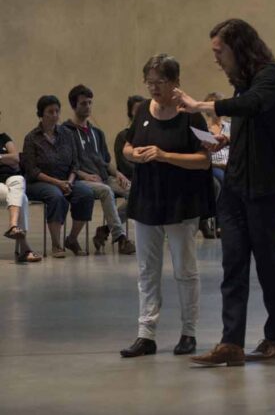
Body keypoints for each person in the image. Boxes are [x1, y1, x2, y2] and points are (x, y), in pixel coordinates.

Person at [175, 18, 275, 367]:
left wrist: (203, 106)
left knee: (268, 263)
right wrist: (227, 139)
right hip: (237, 186)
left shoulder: (271, 78)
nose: (216, 59)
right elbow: (251, 121)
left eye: (219, 51)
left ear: (238, 48)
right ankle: (231, 343)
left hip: (265, 188)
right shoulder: (244, 86)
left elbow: (255, 105)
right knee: (233, 264)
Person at [120, 55, 214, 359]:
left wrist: (164, 155)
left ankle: (189, 332)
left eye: (159, 81)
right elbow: (127, 146)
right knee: (147, 270)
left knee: (185, 270)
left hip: (181, 202)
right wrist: (135, 155)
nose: (153, 87)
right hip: (147, 199)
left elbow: (204, 160)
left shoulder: (191, 117)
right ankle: (146, 334)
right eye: (149, 81)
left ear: (175, 82)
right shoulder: (142, 112)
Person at [63, 84, 135, 255]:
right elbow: (68, 164)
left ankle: (105, 230)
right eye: (83, 103)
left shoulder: (97, 132)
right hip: (82, 180)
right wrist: (85, 175)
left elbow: (105, 161)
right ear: (74, 106)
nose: (87, 107)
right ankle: (120, 238)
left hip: (103, 176)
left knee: (137, 192)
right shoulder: (66, 132)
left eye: (89, 103)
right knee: (105, 191)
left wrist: (118, 174)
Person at [22, 95, 95, 258]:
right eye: (50, 112)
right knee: (56, 197)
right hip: (40, 181)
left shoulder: (67, 134)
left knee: (86, 193)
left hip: (66, 179)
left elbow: (75, 164)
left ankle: (72, 239)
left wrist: (68, 182)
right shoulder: (32, 138)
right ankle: (56, 244)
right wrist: (57, 183)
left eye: (57, 111)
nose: (55, 115)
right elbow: (32, 170)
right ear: (41, 114)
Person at [1, 110, 39, 263]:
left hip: (10, 178)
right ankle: (24, 248)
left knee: (18, 179)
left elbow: (16, 158)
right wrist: (5, 158)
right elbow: (10, 159)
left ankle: (13, 226)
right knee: (21, 197)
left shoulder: (4, 138)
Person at [199, 93, 230, 239]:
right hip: (212, 166)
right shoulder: (204, 128)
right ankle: (219, 222)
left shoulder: (230, 127)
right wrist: (219, 164)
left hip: (230, 166)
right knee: (221, 180)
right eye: (211, 106)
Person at [113, 94, 145, 181]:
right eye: (137, 110)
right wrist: (144, 172)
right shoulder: (122, 136)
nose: (140, 113)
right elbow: (124, 164)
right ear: (130, 112)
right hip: (129, 179)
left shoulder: (149, 135)